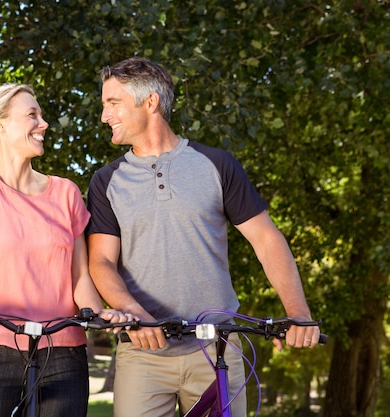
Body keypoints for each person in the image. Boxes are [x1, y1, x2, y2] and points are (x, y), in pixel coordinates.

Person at [85, 57, 321, 417]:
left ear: (150, 102)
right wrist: (133, 312)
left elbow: (267, 240)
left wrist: (298, 313)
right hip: (142, 352)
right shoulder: (106, 181)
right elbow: (101, 261)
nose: (104, 116)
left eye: (112, 103)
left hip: (218, 349)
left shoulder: (216, 164)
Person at [0, 83, 122, 417]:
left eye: (41, 114)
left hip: (63, 353)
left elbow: (79, 275)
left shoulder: (66, 192)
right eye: (32, 114)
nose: (43, 123)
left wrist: (98, 313)